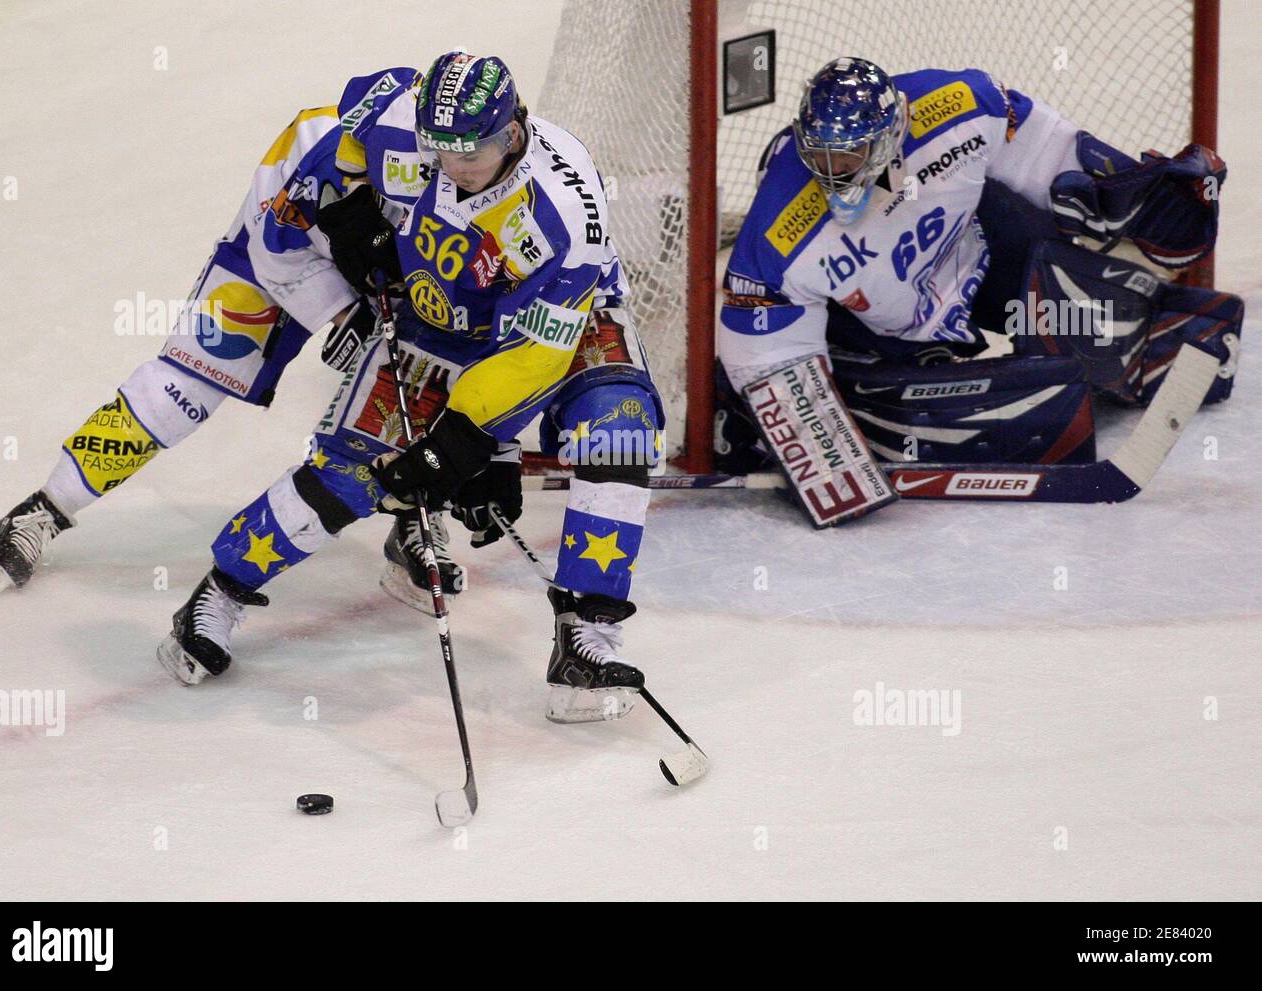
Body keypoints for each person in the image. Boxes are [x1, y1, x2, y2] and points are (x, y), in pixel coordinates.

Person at [158, 53, 663, 724]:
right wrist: (348, 206)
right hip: (429, 323)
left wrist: (472, 448)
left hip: (559, 332)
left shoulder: (562, 213)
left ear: (513, 130)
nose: (452, 167)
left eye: (471, 153)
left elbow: (532, 358)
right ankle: (218, 592)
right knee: (347, 479)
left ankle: (585, 639)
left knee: (619, 428)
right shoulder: (409, 114)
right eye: (440, 150)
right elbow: (351, 123)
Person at [715, 57, 1240, 508]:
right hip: (880, 329)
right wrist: (817, 448)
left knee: (1049, 258)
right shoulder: (776, 233)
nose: (835, 173)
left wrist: (1128, 195)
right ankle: (884, 394)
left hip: (971, 265)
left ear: (891, 134)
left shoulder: (961, 105)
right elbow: (766, 352)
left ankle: (1144, 331)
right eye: (822, 156)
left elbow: (1052, 153)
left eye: (850, 155)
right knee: (904, 404)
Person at [0, 106, 355, 592]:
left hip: (400, 260)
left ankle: (413, 526)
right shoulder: (326, 148)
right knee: (179, 392)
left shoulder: (469, 189)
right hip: (273, 244)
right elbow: (276, 250)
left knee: (421, 388)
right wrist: (344, 312)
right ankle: (44, 509)